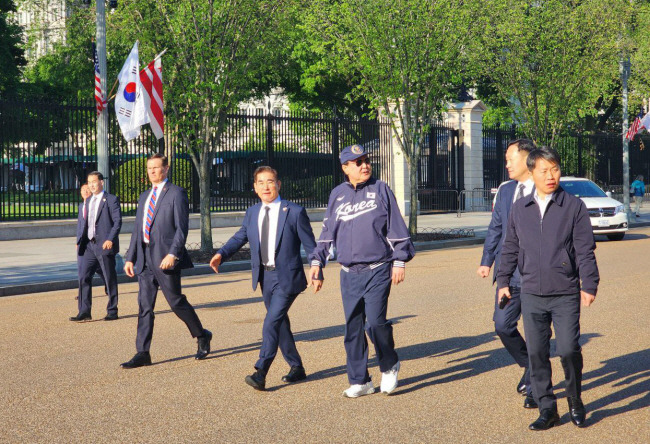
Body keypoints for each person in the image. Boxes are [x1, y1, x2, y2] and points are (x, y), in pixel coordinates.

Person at [497, 148, 599, 431]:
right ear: (532, 173)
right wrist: (503, 280)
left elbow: (585, 250)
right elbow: (510, 248)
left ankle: (576, 401)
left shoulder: (573, 206)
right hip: (531, 292)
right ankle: (547, 408)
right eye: (543, 171)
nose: (551, 176)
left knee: (567, 349)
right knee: (537, 354)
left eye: (554, 169)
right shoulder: (521, 208)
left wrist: (589, 283)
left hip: (565, 291)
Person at [309, 144, 415, 397]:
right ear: (345, 168)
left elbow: (396, 225)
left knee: (376, 323)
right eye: (358, 162)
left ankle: (389, 366)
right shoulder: (337, 194)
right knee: (353, 327)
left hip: (378, 268)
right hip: (348, 272)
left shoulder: (380, 189)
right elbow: (327, 232)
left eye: (366, 160)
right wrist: (317, 261)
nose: (365, 165)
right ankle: (361, 380)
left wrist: (399, 260)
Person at [210, 166, 323, 391]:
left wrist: (316, 268)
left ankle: (261, 371)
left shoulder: (294, 211)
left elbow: (311, 245)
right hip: (265, 277)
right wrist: (221, 254)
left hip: (287, 278)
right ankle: (296, 367)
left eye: (270, 182)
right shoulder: (253, 212)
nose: (266, 187)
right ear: (254, 188)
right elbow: (240, 236)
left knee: (271, 321)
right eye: (261, 183)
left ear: (278, 185)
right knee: (279, 323)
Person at [121, 153, 211, 369]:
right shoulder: (144, 196)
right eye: (149, 168)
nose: (152, 171)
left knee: (175, 302)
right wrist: (130, 257)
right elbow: (137, 230)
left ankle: (201, 334)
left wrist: (173, 254)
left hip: (165, 258)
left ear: (166, 169)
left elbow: (182, 228)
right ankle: (143, 352)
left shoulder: (176, 193)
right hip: (144, 259)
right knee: (144, 306)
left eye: (156, 167)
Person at [477, 139, 537, 409]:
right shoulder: (505, 191)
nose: (507, 164)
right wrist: (487, 260)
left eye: (510, 158)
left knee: (536, 331)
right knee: (502, 325)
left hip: (536, 274)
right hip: (508, 275)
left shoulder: (543, 189)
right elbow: (495, 228)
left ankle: (537, 386)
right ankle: (530, 366)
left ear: (526, 158)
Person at [70, 173, 122, 322]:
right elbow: (82, 223)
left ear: (101, 183)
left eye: (94, 182)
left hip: (104, 244)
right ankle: (84, 311)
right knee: (83, 277)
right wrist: (79, 241)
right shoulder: (88, 201)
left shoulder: (111, 200)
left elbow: (117, 222)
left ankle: (112, 310)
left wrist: (110, 239)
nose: (92, 185)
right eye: (89, 182)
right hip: (88, 246)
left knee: (109, 277)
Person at [76, 184, 109, 301]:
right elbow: (80, 225)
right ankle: (82, 294)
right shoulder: (81, 206)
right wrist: (78, 241)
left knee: (101, 268)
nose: (85, 192)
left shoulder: (95, 205)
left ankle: (108, 285)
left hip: (96, 242)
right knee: (82, 270)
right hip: (83, 243)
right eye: (82, 190)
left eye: (87, 189)